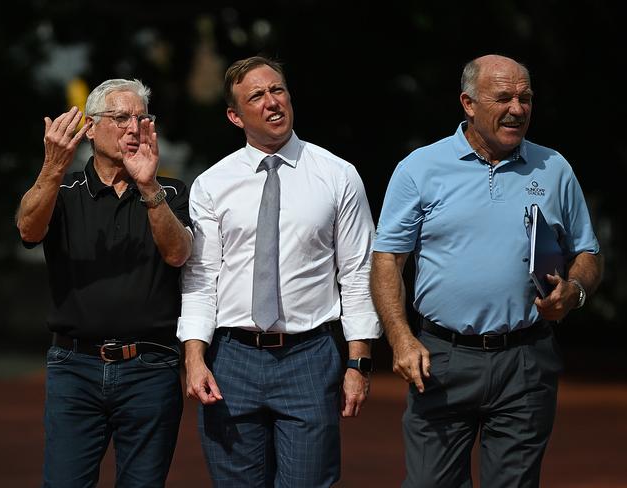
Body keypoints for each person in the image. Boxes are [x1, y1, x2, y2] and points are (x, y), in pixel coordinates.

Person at [370, 54, 603, 488]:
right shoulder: (420, 168)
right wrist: (400, 338)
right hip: (441, 359)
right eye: (504, 98)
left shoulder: (554, 168)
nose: (518, 108)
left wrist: (575, 292)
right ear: (469, 103)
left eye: (525, 98)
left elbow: (588, 252)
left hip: (527, 361)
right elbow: (388, 258)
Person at [178, 56, 381, 487]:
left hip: (309, 357)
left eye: (278, 90)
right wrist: (194, 359)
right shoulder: (212, 184)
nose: (273, 102)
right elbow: (200, 280)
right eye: (257, 96)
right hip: (231, 358)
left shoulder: (337, 175)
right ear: (235, 116)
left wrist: (358, 363)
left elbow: (358, 274)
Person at [16, 78, 193, 487]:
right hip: (74, 367)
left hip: (151, 368)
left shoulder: (170, 191)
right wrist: (52, 165)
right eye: (121, 117)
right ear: (90, 128)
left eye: (141, 117)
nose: (133, 127)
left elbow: (178, 253)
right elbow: (28, 229)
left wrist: (148, 186)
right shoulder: (64, 190)